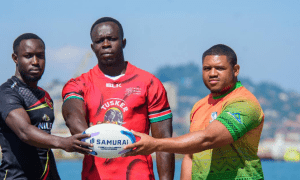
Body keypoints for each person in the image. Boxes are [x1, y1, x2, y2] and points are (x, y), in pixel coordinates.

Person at [124, 44, 265, 180]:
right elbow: (191, 156)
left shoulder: (244, 102)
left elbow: (208, 139)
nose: (213, 73)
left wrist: (154, 144)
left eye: (220, 68)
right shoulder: (199, 106)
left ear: (235, 70)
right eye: (207, 68)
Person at [61, 17, 175, 180]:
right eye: (100, 41)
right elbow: (72, 115)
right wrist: (90, 135)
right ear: (93, 48)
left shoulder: (149, 83)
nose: (106, 44)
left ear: (123, 42)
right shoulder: (79, 84)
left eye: (112, 39)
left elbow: (163, 142)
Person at [0, 33, 92, 180]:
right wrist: (63, 142)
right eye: (28, 56)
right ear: (15, 58)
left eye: (40, 56)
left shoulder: (45, 96)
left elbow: (45, 147)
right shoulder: (7, 93)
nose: (35, 61)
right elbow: (25, 131)